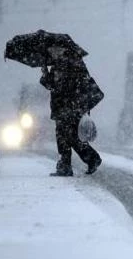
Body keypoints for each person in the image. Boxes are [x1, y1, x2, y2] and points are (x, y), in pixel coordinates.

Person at [40, 46, 103, 176]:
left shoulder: (73, 63)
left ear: (62, 49)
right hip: (63, 108)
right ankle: (72, 164)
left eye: (53, 50)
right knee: (66, 137)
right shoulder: (59, 65)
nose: (51, 52)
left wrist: (61, 86)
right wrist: (45, 74)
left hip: (71, 108)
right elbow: (51, 85)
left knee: (68, 137)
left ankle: (87, 160)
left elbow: (75, 86)